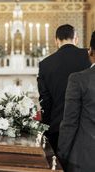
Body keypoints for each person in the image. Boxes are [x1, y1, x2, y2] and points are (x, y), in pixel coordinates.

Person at [37, 24, 91, 153]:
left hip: (58, 127)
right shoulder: (89, 57)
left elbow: (46, 101)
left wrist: (46, 128)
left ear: (56, 40)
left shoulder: (45, 64)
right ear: (76, 39)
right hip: (87, 127)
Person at [58, 31, 95, 171]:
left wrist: (61, 155)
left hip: (86, 158)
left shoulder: (79, 79)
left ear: (90, 51)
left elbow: (70, 123)